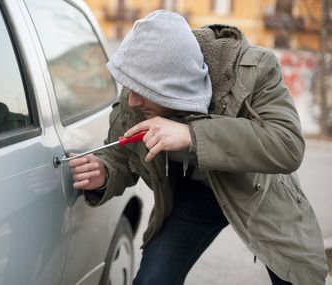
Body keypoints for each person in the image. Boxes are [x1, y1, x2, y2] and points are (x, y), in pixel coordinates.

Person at [68, 10, 328, 285]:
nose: (131, 101)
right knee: (152, 280)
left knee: (297, 278)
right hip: (195, 195)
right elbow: (122, 154)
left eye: (142, 91)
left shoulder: (255, 69)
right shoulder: (138, 86)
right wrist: (104, 171)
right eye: (128, 87)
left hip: (258, 190)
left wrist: (191, 134)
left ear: (174, 85)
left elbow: (287, 144)